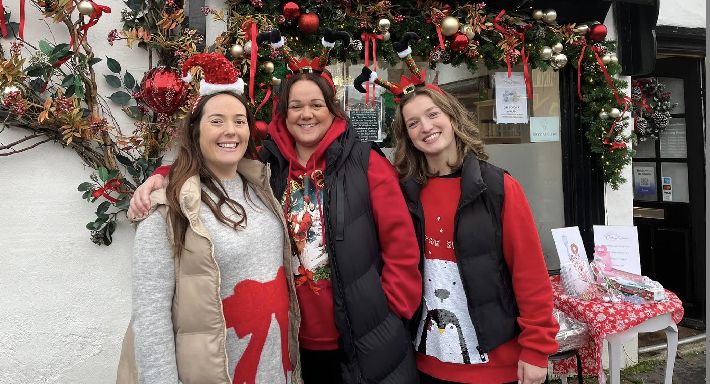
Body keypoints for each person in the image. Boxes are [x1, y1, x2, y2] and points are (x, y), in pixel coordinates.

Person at [128, 32, 422, 384]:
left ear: (332, 109)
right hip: (290, 341)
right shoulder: (267, 164)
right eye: (296, 106)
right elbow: (215, 157)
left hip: (362, 336)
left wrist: (388, 313)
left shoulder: (366, 163)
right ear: (283, 112)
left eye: (316, 104)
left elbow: (402, 248)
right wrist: (163, 175)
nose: (306, 114)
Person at [117, 53, 301, 384]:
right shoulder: (167, 210)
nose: (230, 131)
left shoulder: (261, 188)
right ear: (195, 131)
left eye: (239, 121)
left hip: (276, 371)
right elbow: (151, 319)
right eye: (216, 121)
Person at [391, 86, 559, 384]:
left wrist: (537, 348)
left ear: (453, 118)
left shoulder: (497, 188)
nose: (426, 127)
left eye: (433, 114)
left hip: (494, 365)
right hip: (426, 361)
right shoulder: (405, 194)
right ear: (407, 136)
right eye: (413, 123)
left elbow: (529, 273)